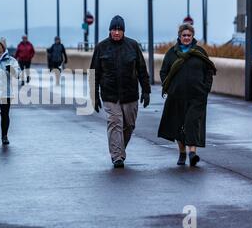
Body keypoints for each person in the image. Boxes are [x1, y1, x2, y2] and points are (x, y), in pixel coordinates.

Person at [90, 15, 151, 169]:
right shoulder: (101, 47)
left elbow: (142, 69)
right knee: (115, 122)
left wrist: (146, 90)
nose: (116, 32)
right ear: (110, 31)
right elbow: (94, 73)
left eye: (119, 30)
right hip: (110, 94)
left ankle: (119, 148)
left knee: (129, 125)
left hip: (130, 94)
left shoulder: (133, 46)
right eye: (114, 30)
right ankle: (117, 156)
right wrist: (94, 96)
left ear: (123, 31)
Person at [158, 23, 216, 166]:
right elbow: (163, 72)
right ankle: (182, 153)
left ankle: (192, 153)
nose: (186, 38)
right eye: (184, 35)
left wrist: (205, 88)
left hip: (197, 96)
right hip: (176, 96)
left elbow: (209, 71)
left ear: (192, 36)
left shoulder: (200, 52)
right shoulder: (172, 53)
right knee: (179, 125)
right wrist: (170, 88)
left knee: (192, 123)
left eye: (189, 35)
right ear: (179, 36)